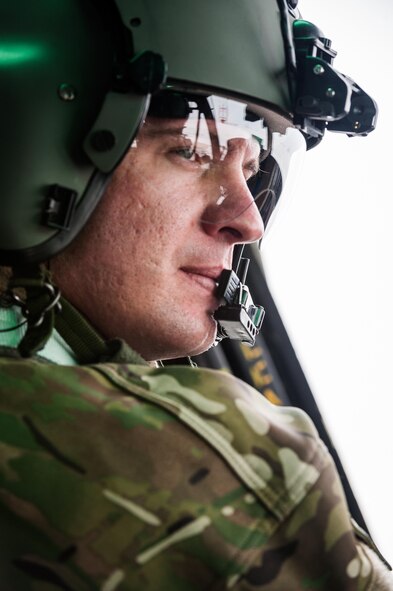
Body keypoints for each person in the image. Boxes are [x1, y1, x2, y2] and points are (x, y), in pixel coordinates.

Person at [0, 0, 391, 589]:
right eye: (191, 150)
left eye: (253, 170)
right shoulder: (224, 469)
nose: (247, 221)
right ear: (28, 146)